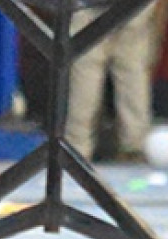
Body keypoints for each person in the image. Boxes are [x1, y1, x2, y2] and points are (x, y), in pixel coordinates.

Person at [66, 3, 160, 161]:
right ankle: (134, 146)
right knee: (131, 67)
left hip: (89, 5)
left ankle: (77, 149)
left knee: (88, 67)